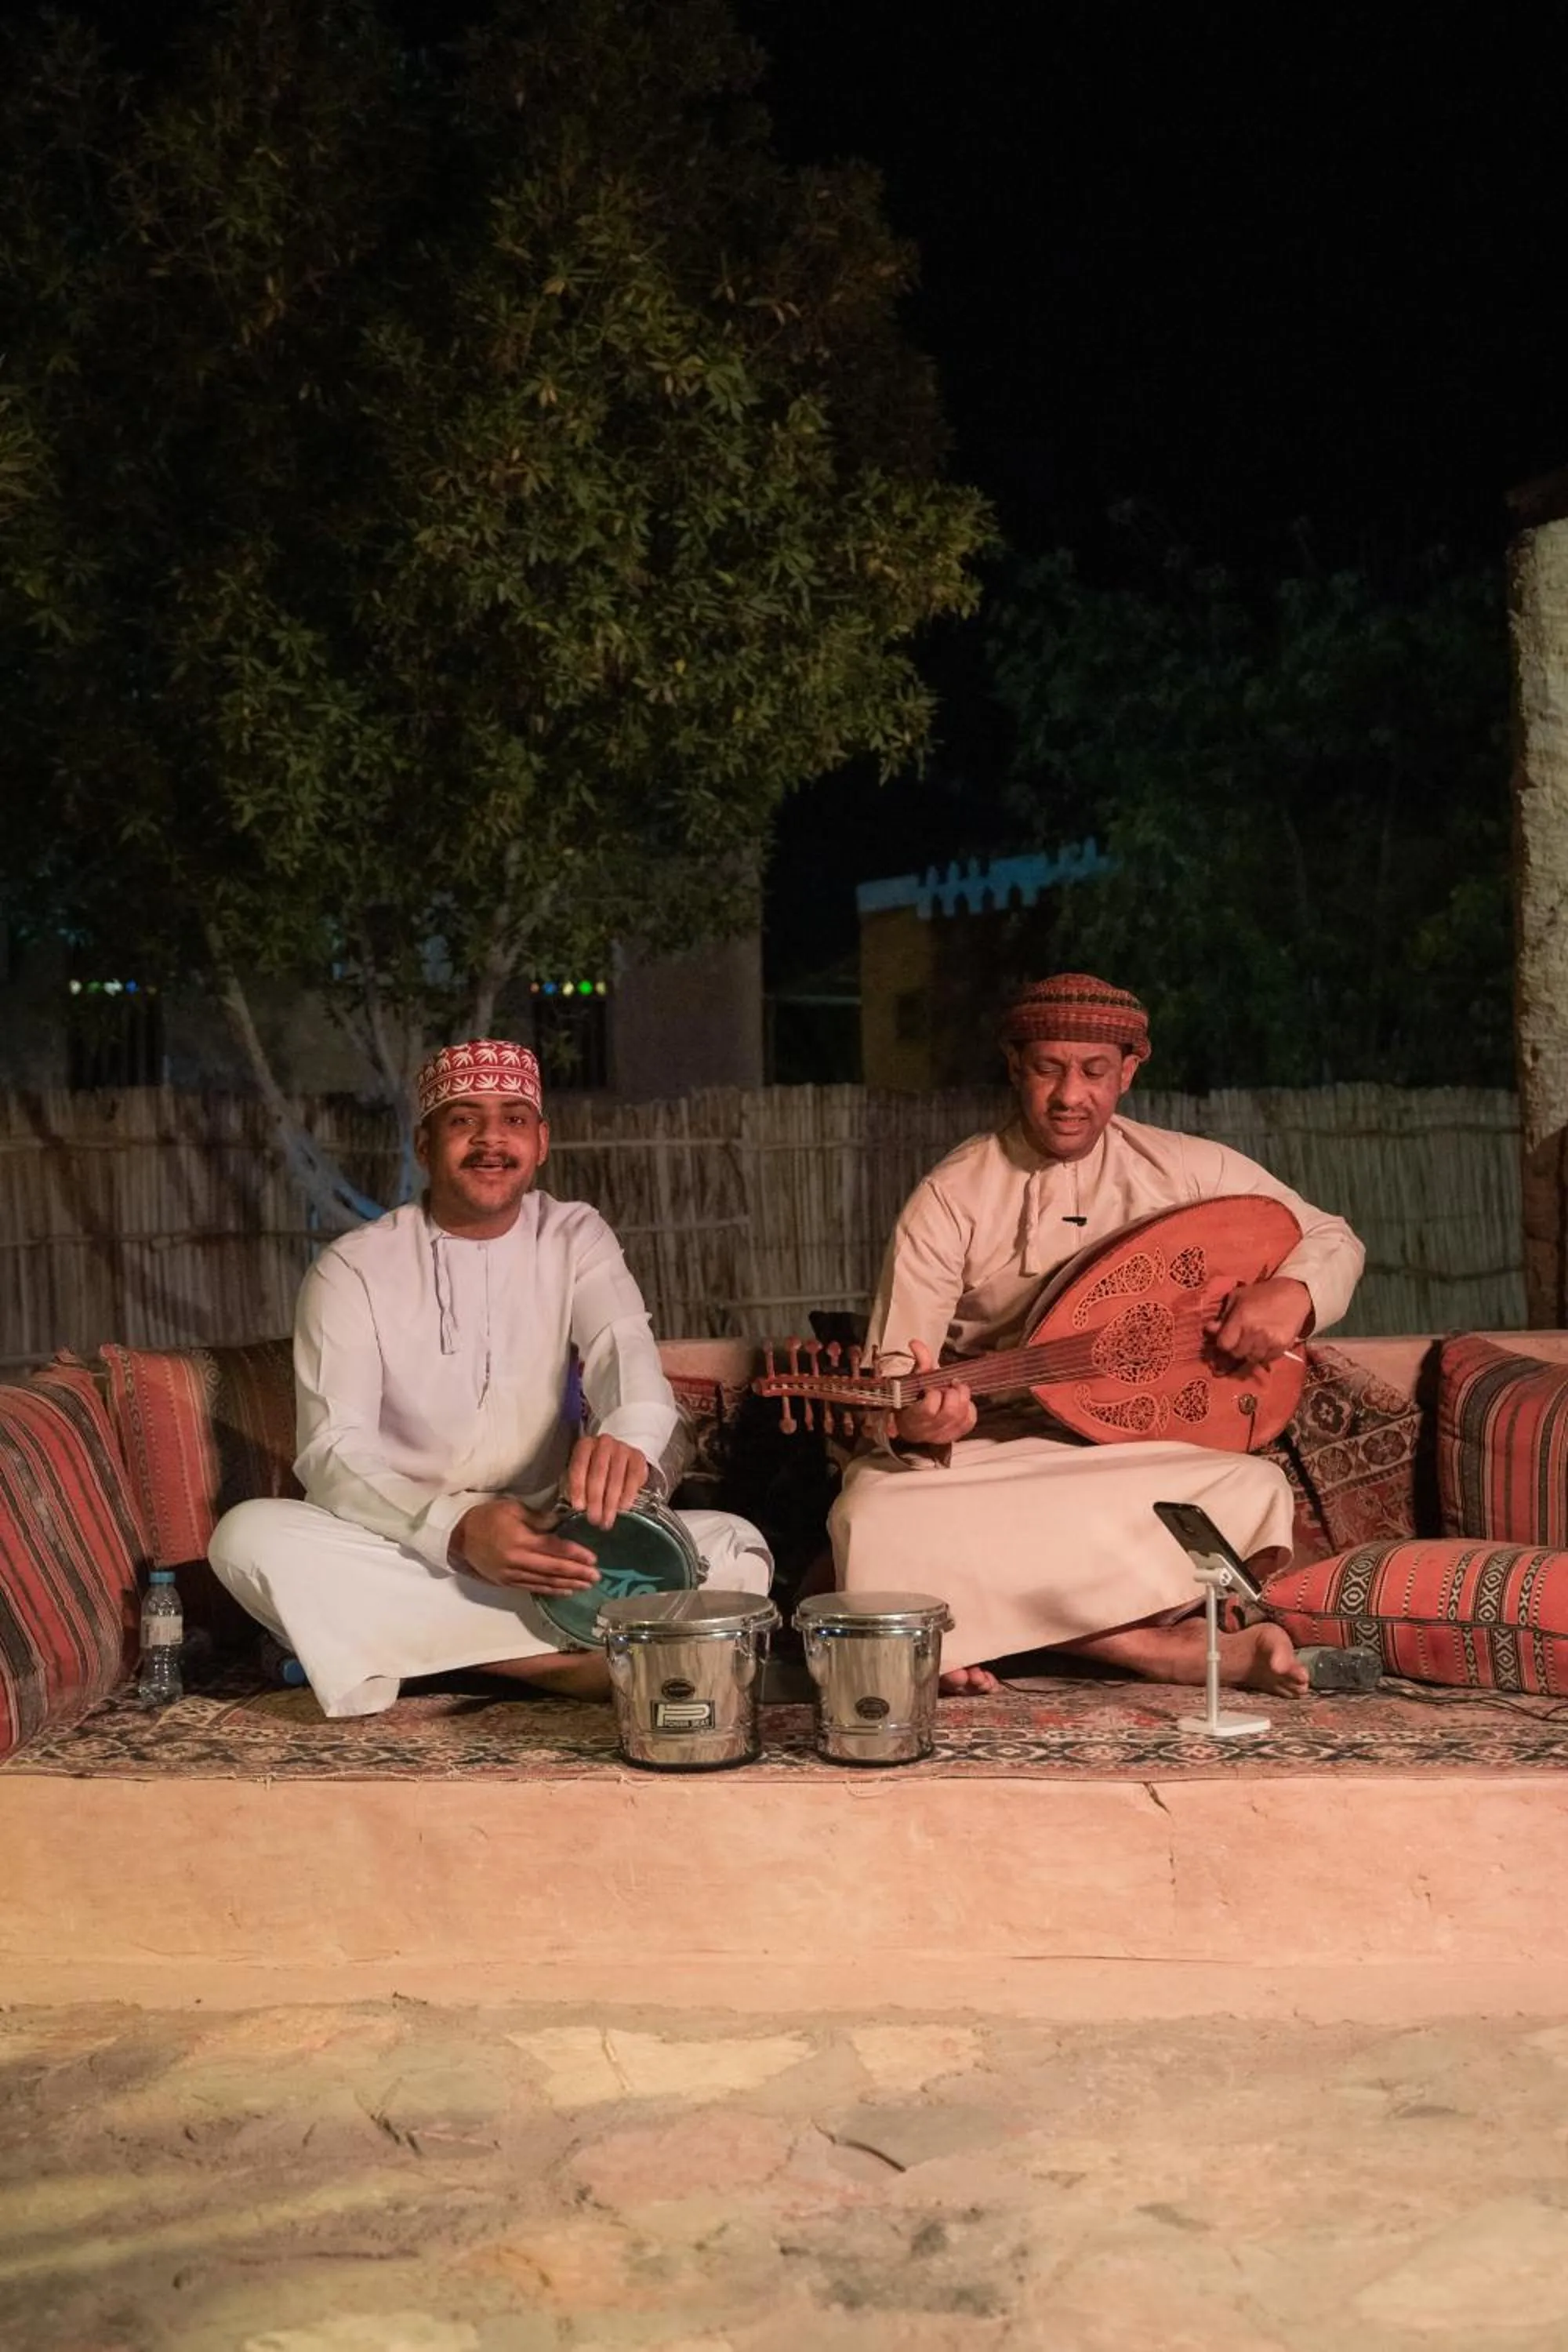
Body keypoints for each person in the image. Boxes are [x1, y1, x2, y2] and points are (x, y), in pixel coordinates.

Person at [828, 974, 1365, 1698]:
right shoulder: (951, 1197)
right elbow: (897, 1369)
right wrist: (919, 1421)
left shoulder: (1185, 1169)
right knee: (871, 1512)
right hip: (995, 1454)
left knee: (1251, 1489)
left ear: (1129, 1071)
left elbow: (1332, 1236)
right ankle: (1152, 1649)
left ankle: (963, 1620)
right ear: (1016, 1065)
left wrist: (1293, 1294)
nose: (1069, 1096)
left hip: (1133, 1456)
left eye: (1094, 1071)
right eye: (1048, 1068)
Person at [209, 1039, 771, 1715]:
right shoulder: (353, 1267)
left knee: (738, 1548)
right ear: (425, 1145)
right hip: (409, 1543)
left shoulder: (575, 1237)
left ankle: (406, 1652)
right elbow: (333, 1450)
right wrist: (457, 1527)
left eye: (512, 1118)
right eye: (463, 1119)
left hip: (556, 1543)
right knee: (247, 1540)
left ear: (541, 1142)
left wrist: (630, 1447)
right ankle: (556, 1665)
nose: (490, 1140)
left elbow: (627, 1359)